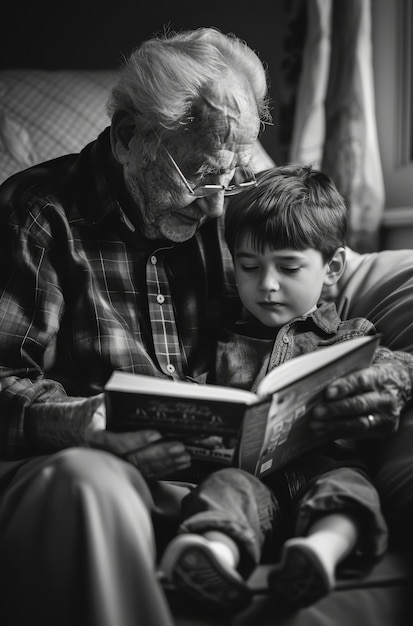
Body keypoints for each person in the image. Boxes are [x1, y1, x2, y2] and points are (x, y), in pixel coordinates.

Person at [0, 26, 410, 626]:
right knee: (92, 482)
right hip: (106, 468)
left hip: (232, 478)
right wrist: (79, 425)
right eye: (197, 175)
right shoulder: (37, 215)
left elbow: (321, 275)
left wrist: (393, 373)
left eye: (230, 174)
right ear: (127, 138)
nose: (215, 203)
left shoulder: (229, 204)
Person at [159, 164, 409, 611]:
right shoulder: (216, 338)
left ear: (332, 267)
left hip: (327, 469)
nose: (267, 285)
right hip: (247, 481)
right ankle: (211, 555)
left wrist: (390, 375)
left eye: (289, 267)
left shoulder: (352, 336)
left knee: (350, 488)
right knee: (224, 490)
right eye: (249, 266)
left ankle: (317, 555)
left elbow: (390, 374)